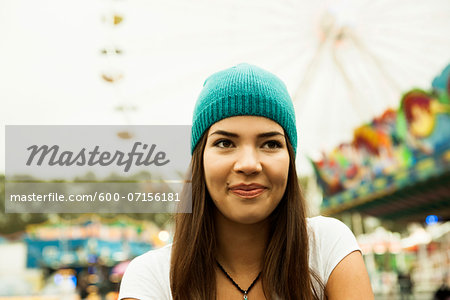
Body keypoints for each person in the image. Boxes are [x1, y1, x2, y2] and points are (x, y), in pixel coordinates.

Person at [118, 63, 374, 299]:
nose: (249, 164)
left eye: (271, 144)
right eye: (225, 143)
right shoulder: (151, 278)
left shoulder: (327, 248)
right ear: (200, 159)